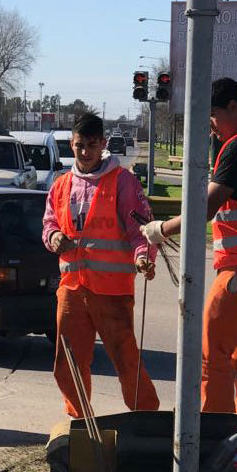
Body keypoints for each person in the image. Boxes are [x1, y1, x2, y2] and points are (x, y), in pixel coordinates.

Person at [141, 78, 237, 419]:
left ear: (233, 107)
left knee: (212, 355)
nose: (210, 124)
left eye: (212, 114)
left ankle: (211, 437)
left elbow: (204, 208)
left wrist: (161, 230)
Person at [43, 112, 160, 418]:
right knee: (68, 363)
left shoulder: (123, 182)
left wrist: (143, 257)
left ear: (103, 144)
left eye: (91, 145)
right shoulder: (61, 185)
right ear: (72, 144)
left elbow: (141, 230)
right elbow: (49, 223)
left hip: (112, 290)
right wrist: (54, 237)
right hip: (72, 289)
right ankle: (81, 422)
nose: (85, 152)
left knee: (126, 360)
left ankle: (148, 420)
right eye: (79, 145)